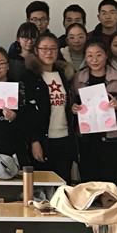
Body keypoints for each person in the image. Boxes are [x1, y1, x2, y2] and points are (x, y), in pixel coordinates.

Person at [72, 38, 117, 186]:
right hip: (86, 140)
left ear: (106, 55)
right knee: (87, 184)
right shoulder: (78, 79)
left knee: (110, 185)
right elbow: (70, 102)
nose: (94, 60)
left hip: (112, 141)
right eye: (90, 55)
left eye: (99, 55)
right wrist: (73, 108)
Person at [21, 33, 76, 184]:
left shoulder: (63, 75)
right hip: (43, 140)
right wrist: (34, 140)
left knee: (63, 185)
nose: (49, 52)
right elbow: (26, 113)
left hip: (64, 138)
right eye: (44, 48)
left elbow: (65, 104)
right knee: (43, 186)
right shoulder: (29, 77)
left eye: (53, 49)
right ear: (36, 50)